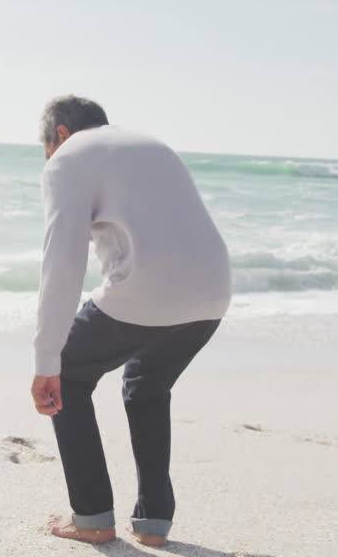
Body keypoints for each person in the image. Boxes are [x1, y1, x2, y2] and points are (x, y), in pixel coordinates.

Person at [30, 95, 233, 546]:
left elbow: (62, 263)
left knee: (70, 374)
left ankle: (92, 518)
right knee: (147, 386)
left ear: (60, 135)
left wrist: (47, 361)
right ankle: (154, 523)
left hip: (145, 293)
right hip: (213, 293)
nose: (47, 157)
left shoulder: (67, 159)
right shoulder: (152, 145)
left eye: (46, 147)